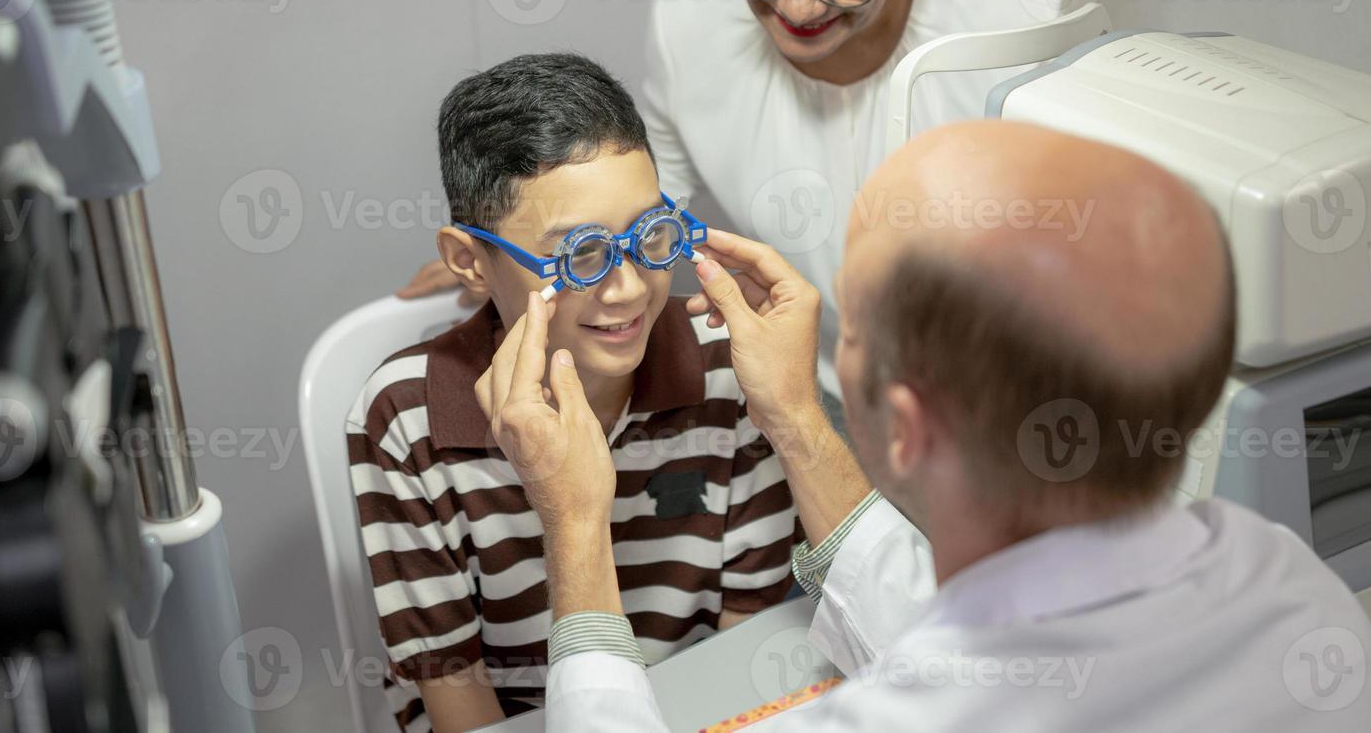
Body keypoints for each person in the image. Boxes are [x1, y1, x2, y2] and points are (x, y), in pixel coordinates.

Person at [481, 119, 1371, 731]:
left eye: (853, 333)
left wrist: (574, 521)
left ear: (903, 429)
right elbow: (992, 648)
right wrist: (794, 415)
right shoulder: (1288, 580)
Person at [401, 0, 1067, 412]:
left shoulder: (1010, 16)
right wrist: (510, 255)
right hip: (819, 377)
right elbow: (650, 199)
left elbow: (1069, 242)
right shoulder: (688, 18)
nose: (799, 8)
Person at [347, 53, 800, 732]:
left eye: (648, 235)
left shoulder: (728, 363)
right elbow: (456, 699)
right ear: (470, 261)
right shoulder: (406, 417)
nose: (624, 290)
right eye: (576, 256)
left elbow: (750, 655)